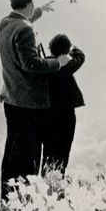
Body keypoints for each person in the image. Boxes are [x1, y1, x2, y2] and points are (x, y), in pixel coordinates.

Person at [0, 0, 71, 200]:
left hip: (12, 99)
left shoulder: (4, 24)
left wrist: (39, 11)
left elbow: (21, 26)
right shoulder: (25, 29)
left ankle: (8, 198)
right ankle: (24, 201)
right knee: (28, 155)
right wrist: (58, 62)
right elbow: (31, 63)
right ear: (28, 4)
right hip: (29, 104)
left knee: (12, 151)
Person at [42, 34, 85, 175]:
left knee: (48, 152)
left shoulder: (46, 64)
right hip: (66, 115)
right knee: (63, 152)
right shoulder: (67, 65)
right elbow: (81, 56)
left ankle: (44, 184)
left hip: (48, 115)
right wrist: (71, 49)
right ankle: (57, 183)